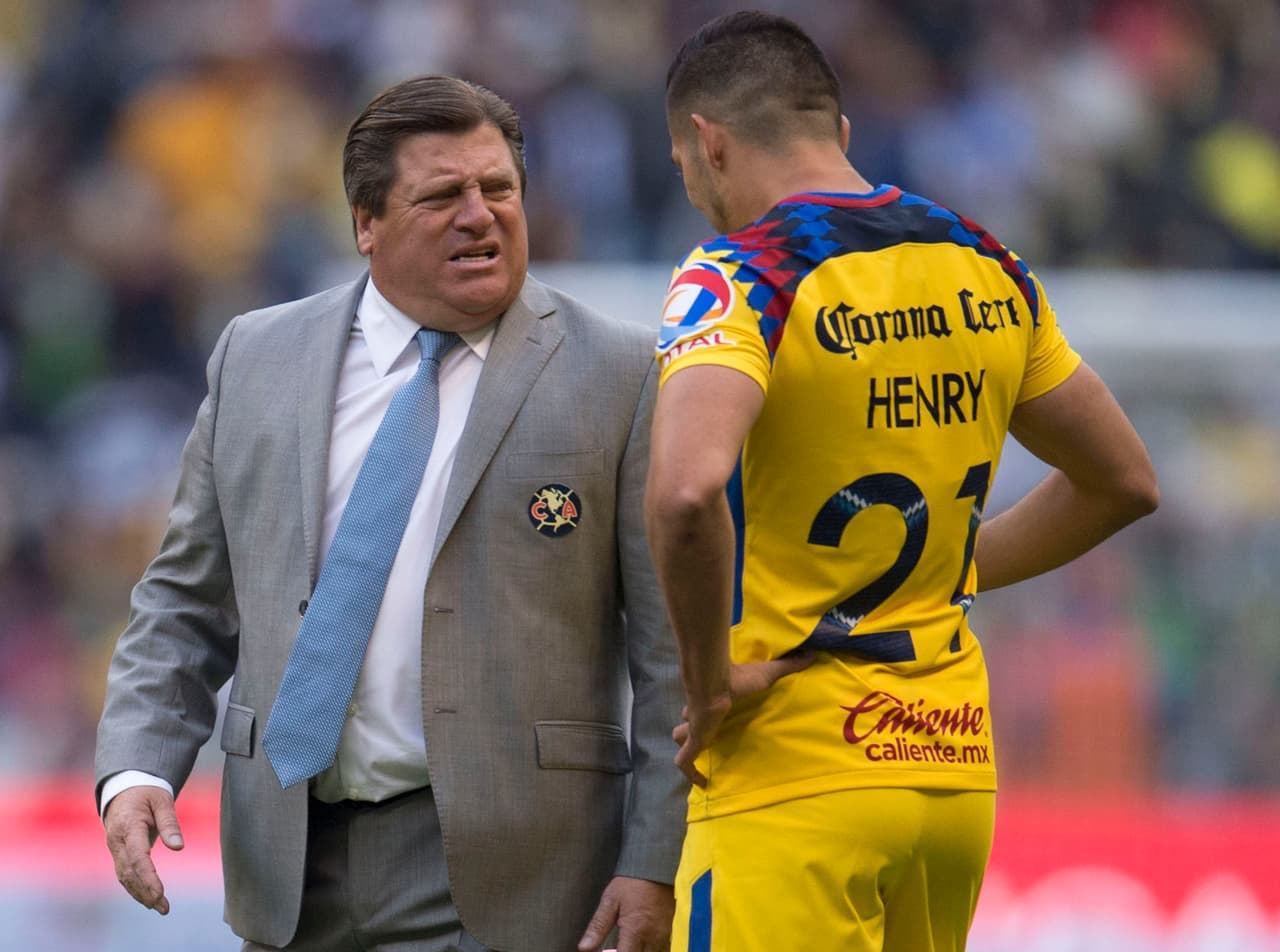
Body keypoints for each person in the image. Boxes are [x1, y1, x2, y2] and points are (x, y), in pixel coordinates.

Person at [95, 75, 685, 952]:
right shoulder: (256, 356)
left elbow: (671, 652)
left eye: (500, 189)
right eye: (444, 195)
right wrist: (138, 764)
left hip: (521, 877)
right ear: (366, 223)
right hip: (288, 866)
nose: (481, 215)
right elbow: (185, 599)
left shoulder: (624, 371)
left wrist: (654, 860)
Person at [644, 11, 1159, 952]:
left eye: (684, 167)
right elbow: (1123, 480)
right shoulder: (984, 261)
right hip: (951, 769)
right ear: (839, 135)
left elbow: (685, 493)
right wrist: (957, 573)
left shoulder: (742, 277)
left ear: (708, 145)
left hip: (795, 777)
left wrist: (708, 683)